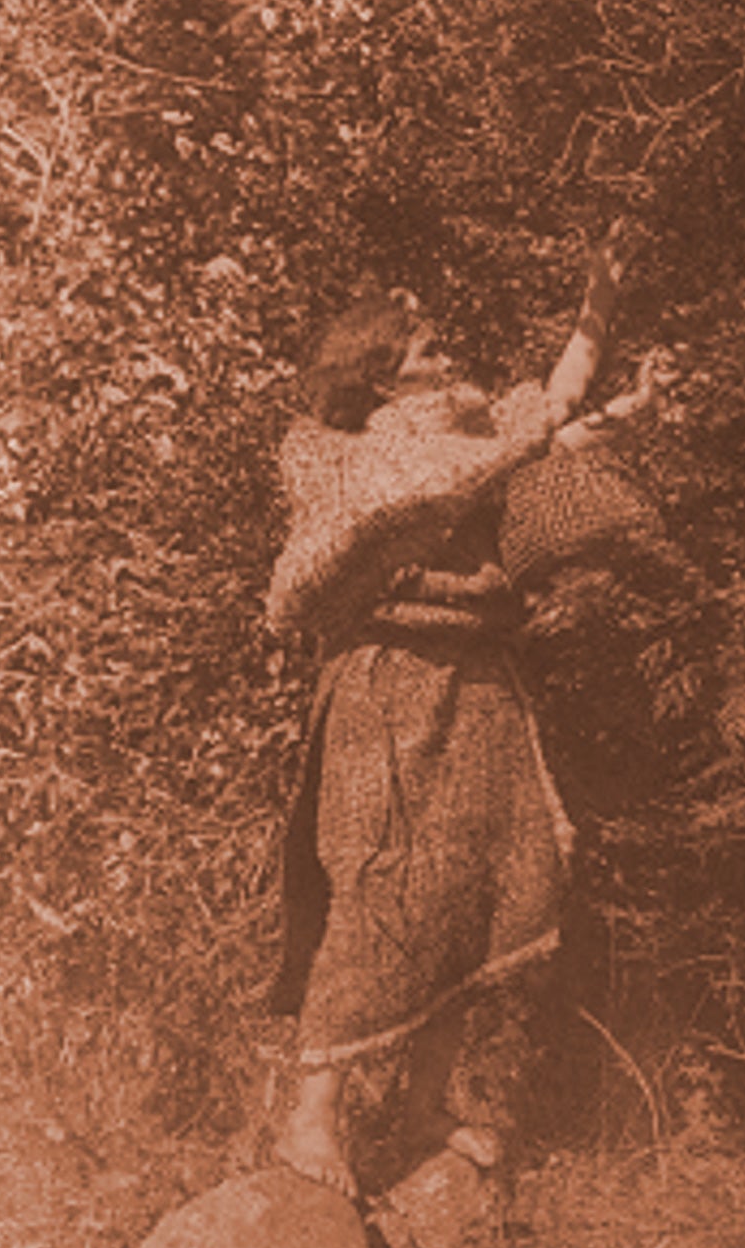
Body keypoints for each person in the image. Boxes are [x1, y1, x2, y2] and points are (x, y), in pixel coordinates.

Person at [265, 228, 660, 1198]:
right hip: (389, 681)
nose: (446, 354)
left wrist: (601, 309)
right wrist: (549, 414)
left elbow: (542, 434)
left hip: (478, 680)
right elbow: (464, 465)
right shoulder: (355, 454)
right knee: (382, 891)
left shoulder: (467, 436)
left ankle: (424, 1106)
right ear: (382, 376)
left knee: (486, 887)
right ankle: (310, 1117)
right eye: (425, 347)